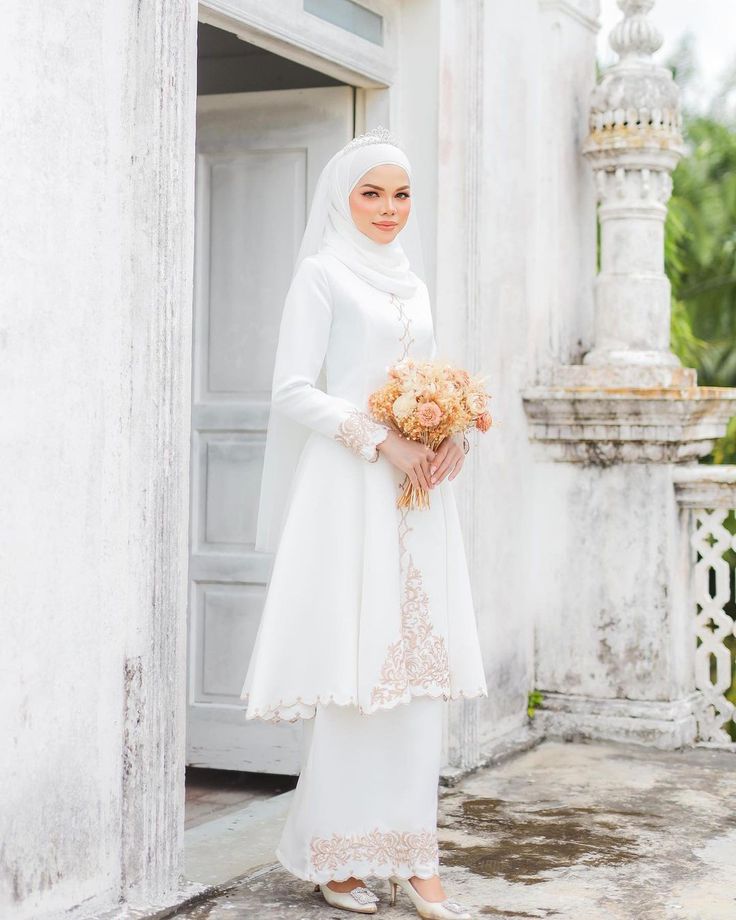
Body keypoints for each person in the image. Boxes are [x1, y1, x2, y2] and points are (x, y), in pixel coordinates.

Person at [240, 126, 488, 919]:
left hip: (419, 499)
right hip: (352, 489)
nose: (389, 209)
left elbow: (433, 376)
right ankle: (336, 852)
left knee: (419, 672)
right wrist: (379, 436)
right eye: (372, 193)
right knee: (361, 672)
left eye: (403, 193)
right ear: (344, 200)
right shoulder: (322, 276)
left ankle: (416, 854)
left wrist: (450, 430)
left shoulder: (413, 285)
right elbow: (291, 389)